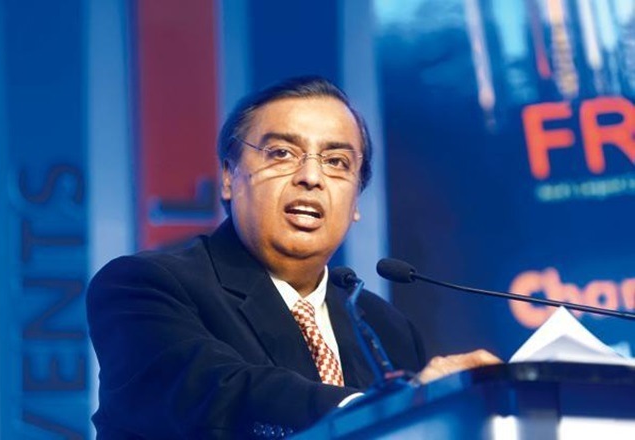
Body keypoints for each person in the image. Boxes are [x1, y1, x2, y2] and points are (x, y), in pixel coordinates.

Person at [87, 76, 500, 439]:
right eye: (282, 154)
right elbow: (218, 393)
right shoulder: (144, 286)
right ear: (229, 177)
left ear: (357, 200)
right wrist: (392, 409)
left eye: (337, 162)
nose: (311, 177)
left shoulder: (386, 328)